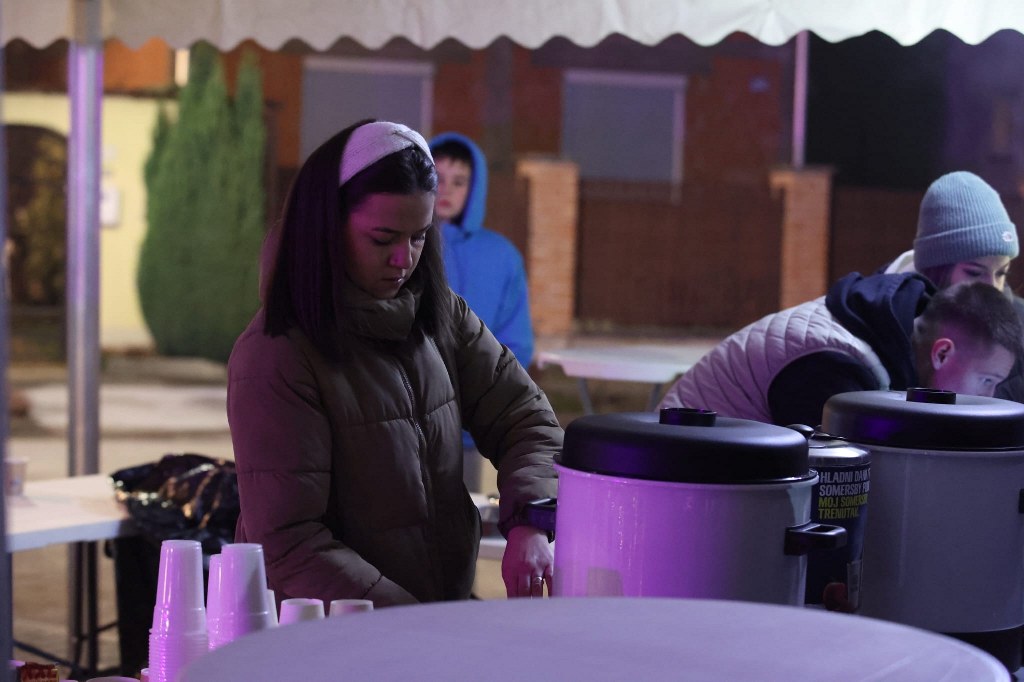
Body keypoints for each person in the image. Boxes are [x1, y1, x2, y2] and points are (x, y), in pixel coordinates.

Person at [227, 120, 561, 607]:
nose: (403, 260)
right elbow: (290, 543)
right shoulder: (276, 354)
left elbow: (526, 419)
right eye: (382, 239)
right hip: (330, 633)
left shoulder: (439, 314)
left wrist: (530, 520)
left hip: (432, 617)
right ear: (326, 226)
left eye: (420, 237)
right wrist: (406, 621)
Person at [659, 273, 1024, 428]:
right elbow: (835, 491)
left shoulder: (890, 330)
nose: (990, 396)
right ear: (942, 354)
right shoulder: (835, 370)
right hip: (683, 472)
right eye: (987, 379)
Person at [429, 132, 535, 490]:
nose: (446, 190)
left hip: (474, 426)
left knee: (468, 509)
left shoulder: (501, 256)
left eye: (459, 181)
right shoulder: (404, 246)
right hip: (409, 420)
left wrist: (484, 398)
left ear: (475, 188)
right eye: (437, 178)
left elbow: (516, 341)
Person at [881, 170, 1024, 402]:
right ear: (935, 269)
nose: (993, 288)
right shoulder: (885, 322)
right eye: (974, 272)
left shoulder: (1019, 327)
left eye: (1001, 273)